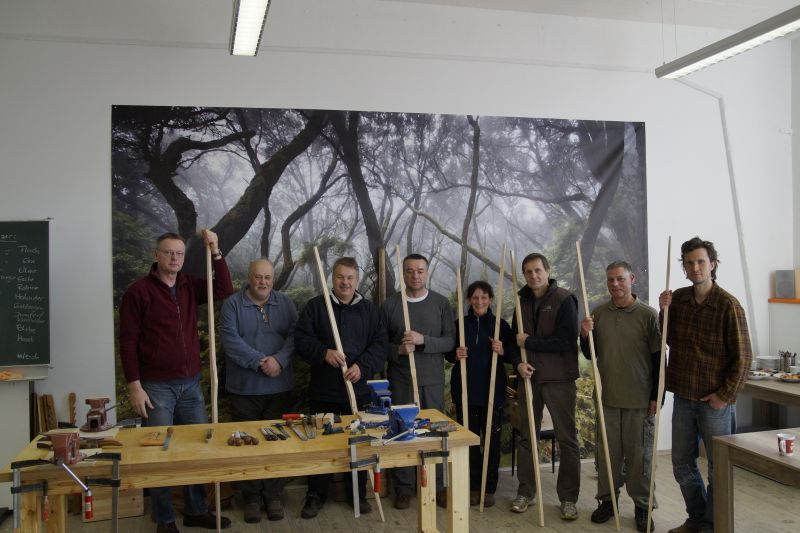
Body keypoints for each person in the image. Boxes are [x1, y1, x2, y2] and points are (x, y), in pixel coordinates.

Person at [119, 230, 233, 533]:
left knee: (196, 448)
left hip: (190, 384)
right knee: (160, 453)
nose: (174, 258)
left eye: (179, 254)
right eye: (168, 252)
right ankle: (165, 519)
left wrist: (217, 252)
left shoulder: (188, 286)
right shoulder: (138, 292)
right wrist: (134, 386)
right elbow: (128, 342)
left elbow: (223, 288)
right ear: (156, 255)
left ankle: (196, 510)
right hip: (156, 387)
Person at [659, 237, 753, 533]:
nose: (695, 267)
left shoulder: (728, 305)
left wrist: (724, 397)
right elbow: (667, 340)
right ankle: (698, 518)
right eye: (689, 262)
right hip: (684, 398)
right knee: (681, 464)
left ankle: (713, 525)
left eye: (701, 261)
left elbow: (744, 358)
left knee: (718, 468)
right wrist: (664, 311)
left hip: (715, 403)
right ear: (684, 267)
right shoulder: (680, 300)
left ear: (712, 264)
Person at [294, 257, 388, 519]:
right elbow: (301, 340)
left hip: (357, 392)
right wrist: (323, 352)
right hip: (324, 390)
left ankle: (356, 493)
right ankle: (315, 495)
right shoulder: (316, 307)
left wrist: (363, 367)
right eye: (339, 277)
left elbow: (380, 345)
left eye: (349, 277)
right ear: (332, 279)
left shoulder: (370, 310)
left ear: (357, 280)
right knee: (321, 446)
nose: (345, 282)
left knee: (357, 443)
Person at [580, 261, 661, 532]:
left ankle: (642, 506)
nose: (615, 284)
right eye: (611, 280)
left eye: (620, 279)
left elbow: (659, 358)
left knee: (640, 458)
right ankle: (607, 500)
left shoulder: (648, 315)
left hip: (639, 399)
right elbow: (590, 353)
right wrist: (584, 335)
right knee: (606, 457)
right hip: (607, 399)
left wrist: (656, 397)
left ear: (632, 279)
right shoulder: (599, 314)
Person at [219, 258, 297, 524]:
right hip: (244, 389)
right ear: (249, 278)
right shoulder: (232, 305)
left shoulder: (285, 303)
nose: (262, 282)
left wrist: (280, 360)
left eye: (267, 277)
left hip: (280, 387)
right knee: (247, 446)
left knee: (277, 444)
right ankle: (251, 497)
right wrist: (261, 361)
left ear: (273, 279)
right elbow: (230, 341)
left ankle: (273, 496)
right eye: (257, 277)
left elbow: (295, 336)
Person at [507, 252, 581, 520]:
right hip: (530, 379)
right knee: (527, 438)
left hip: (560, 380)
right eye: (528, 272)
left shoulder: (564, 299)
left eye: (538, 270)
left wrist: (529, 342)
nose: (533, 276)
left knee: (567, 439)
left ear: (547, 271)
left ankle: (569, 498)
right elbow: (515, 342)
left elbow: (565, 341)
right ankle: (525, 492)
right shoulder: (520, 301)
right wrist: (518, 364)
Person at [383, 253, 455, 509]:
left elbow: (450, 342)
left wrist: (424, 340)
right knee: (403, 432)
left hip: (432, 380)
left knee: (434, 433)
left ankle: (436, 485)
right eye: (410, 271)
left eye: (420, 271)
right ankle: (403, 487)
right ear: (403, 274)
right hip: (401, 380)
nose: (415, 275)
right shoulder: (391, 305)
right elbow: (380, 345)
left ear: (427, 273)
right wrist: (398, 351)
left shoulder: (441, 303)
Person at [445, 280, 516, 508]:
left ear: (490, 300)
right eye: (475, 297)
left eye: (484, 297)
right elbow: (448, 353)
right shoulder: (459, 325)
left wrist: (502, 350)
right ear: (468, 300)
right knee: (470, 442)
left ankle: (489, 488)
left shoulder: (500, 326)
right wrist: (455, 353)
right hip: (465, 391)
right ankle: (473, 487)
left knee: (492, 442)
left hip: (492, 392)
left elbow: (512, 355)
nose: (479, 301)